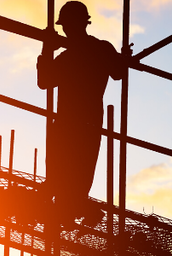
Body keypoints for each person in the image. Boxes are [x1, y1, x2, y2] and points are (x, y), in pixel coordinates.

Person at [36, 1, 125, 225]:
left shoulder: (69, 57)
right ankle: (70, 208)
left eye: (66, 25)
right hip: (86, 122)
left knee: (66, 171)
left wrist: (47, 49)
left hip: (70, 123)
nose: (66, 30)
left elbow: (44, 81)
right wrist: (122, 57)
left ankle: (67, 209)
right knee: (76, 171)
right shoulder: (100, 49)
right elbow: (118, 72)